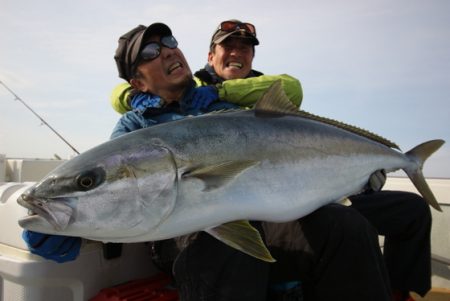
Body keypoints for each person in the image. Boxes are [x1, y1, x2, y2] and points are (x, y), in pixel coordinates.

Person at [110, 20, 432, 301]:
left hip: (254, 219)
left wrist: (358, 179)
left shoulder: (221, 109)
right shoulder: (133, 126)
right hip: (179, 230)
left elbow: (286, 96)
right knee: (224, 249)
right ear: (137, 82)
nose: (167, 51)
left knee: (343, 226)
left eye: (169, 43)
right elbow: (113, 185)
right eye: (150, 53)